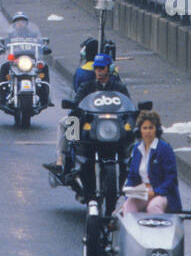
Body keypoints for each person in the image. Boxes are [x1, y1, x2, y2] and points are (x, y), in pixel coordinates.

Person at [43, 55, 131, 186]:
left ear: (109, 69)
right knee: (66, 122)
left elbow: (128, 106)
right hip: (90, 123)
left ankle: (133, 164)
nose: (99, 71)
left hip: (112, 126)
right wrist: (75, 110)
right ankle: (62, 161)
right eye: (96, 68)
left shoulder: (119, 87)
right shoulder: (86, 87)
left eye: (102, 68)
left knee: (134, 129)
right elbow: (77, 104)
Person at [121, 109, 182, 215]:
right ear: (139, 130)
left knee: (154, 206)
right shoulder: (137, 149)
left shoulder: (164, 149)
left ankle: (158, 231)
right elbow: (132, 176)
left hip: (162, 193)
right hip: (143, 192)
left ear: (156, 130)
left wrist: (155, 192)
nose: (148, 132)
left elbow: (171, 178)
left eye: (151, 128)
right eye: (144, 128)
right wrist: (129, 192)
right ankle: (133, 232)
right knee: (128, 205)